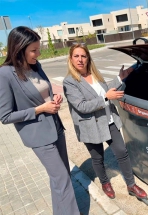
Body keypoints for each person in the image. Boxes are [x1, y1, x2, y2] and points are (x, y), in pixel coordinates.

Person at [0, 26, 81, 215]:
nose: (39, 53)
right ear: (19, 50)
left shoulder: (37, 65)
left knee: (60, 179)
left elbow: (44, 93)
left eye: (39, 48)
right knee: (63, 180)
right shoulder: (5, 74)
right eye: (34, 50)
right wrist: (40, 109)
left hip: (56, 127)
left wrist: (53, 100)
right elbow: (5, 116)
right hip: (38, 136)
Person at [63, 43, 148, 200]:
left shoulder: (94, 73)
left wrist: (119, 78)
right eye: (76, 56)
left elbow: (105, 90)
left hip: (108, 120)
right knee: (98, 157)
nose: (80, 59)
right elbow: (82, 106)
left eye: (83, 56)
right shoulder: (69, 82)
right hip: (90, 125)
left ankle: (131, 185)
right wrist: (106, 97)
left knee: (122, 152)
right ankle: (105, 182)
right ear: (71, 59)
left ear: (88, 58)